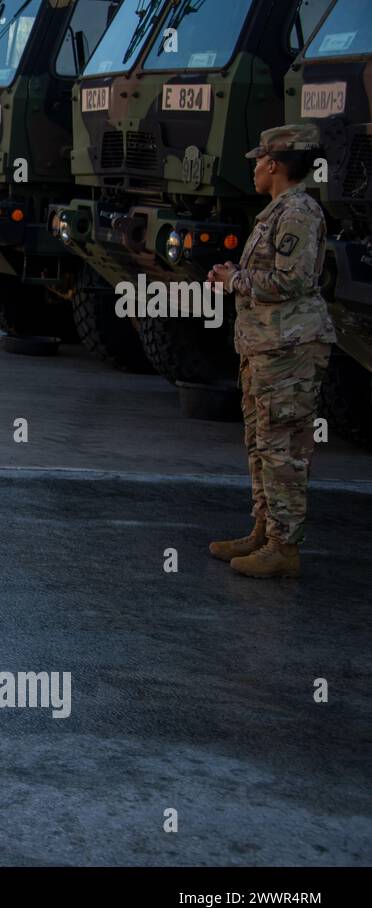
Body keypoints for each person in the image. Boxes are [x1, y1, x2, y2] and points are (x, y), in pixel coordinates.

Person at [207, 124, 337, 579]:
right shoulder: (277, 211)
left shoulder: (298, 212)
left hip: (290, 346)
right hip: (266, 344)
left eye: (259, 161)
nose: (255, 169)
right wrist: (237, 275)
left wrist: (233, 280)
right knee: (261, 442)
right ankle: (264, 529)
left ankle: (284, 545)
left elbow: (292, 281)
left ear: (274, 164)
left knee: (283, 447)